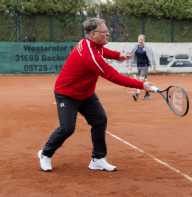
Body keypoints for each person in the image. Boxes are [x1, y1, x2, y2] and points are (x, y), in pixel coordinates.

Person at [37, 18, 159, 172]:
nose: (108, 33)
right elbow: (113, 76)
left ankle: (98, 159)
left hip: (86, 94)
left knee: (100, 120)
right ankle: (45, 154)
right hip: (67, 93)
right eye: (104, 32)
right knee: (67, 128)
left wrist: (117, 55)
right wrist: (141, 85)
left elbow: (103, 51)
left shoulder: (93, 45)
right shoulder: (90, 56)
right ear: (93, 34)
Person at [130, 34, 155, 101]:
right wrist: (130, 65)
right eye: (139, 39)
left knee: (140, 80)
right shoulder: (135, 47)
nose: (140, 41)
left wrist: (153, 66)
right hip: (139, 66)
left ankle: (137, 94)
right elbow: (132, 56)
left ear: (144, 40)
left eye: (141, 39)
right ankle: (147, 95)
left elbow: (151, 56)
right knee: (145, 80)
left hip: (145, 66)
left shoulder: (147, 48)